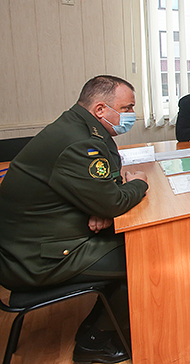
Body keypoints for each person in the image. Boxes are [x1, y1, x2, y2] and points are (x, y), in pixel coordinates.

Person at [0, 75, 149, 364]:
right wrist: (139, 183)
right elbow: (113, 201)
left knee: (133, 241)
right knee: (142, 255)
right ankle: (96, 343)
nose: (132, 114)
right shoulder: (80, 142)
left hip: (35, 243)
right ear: (101, 109)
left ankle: (101, 323)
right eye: (127, 108)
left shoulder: (75, 125)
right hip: (35, 259)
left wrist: (102, 206)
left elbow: (105, 191)